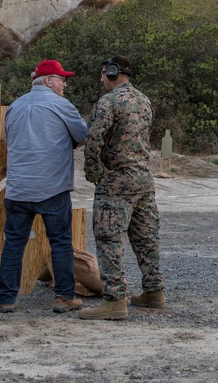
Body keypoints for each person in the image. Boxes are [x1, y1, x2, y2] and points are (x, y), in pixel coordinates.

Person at [0, 59, 88, 314]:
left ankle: (6, 299)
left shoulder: (14, 106)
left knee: (14, 243)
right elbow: (82, 136)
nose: (65, 84)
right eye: (61, 79)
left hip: (17, 189)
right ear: (49, 81)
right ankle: (64, 298)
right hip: (52, 188)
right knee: (60, 242)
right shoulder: (61, 105)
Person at [80, 56, 164, 321]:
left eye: (104, 74)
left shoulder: (108, 102)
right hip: (143, 181)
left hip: (115, 182)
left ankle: (115, 300)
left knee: (108, 239)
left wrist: (94, 172)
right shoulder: (144, 100)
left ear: (114, 73)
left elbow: (93, 140)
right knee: (146, 238)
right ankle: (154, 291)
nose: (101, 79)